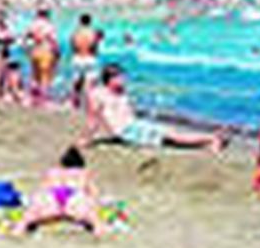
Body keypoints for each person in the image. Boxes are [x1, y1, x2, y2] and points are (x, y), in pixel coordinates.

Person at [83, 63, 225, 151]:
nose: (123, 80)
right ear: (110, 79)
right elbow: (93, 120)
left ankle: (210, 138)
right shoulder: (99, 95)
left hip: (135, 126)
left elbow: (129, 113)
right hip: (128, 132)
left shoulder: (121, 92)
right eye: (120, 77)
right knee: (171, 136)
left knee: (170, 133)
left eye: (123, 77)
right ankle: (211, 138)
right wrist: (87, 140)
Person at [13, 146, 108, 236]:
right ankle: (99, 231)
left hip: (52, 197)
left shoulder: (52, 172)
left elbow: (41, 191)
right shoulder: (82, 173)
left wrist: (32, 209)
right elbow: (94, 193)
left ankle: (18, 230)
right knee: (96, 221)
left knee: (27, 219)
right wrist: (95, 209)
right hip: (74, 197)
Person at [67, 14, 103, 110]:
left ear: (80, 21)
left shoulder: (75, 33)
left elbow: (72, 45)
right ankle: (88, 103)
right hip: (89, 58)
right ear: (90, 21)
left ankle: (75, 102)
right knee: (90, 83)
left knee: (76, 83)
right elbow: (95, 46)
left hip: (77, 57)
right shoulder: (92, 33)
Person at [26, 9, 59, 106]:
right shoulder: (49, 26)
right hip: (46, 51)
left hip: (35, 51)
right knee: (45, 77)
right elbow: (52, 40)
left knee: (35, 77)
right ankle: (43, 100)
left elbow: (26, 38)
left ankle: (33, 99)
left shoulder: (32, 25)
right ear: (47, 14)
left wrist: (27, 50)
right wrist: (57, 52)